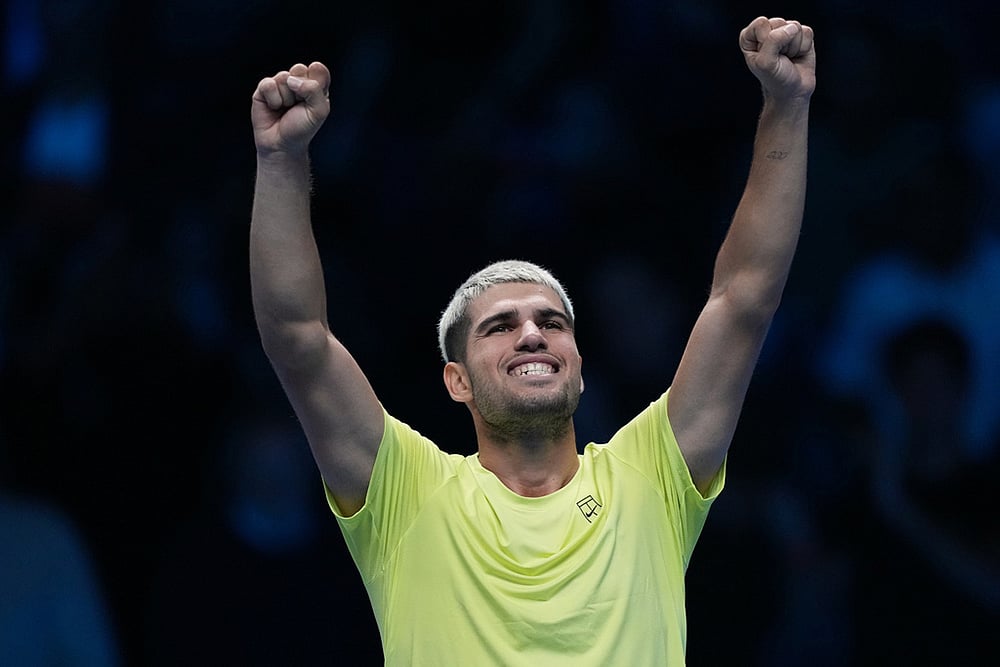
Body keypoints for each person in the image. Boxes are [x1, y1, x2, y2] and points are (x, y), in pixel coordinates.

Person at [249, 15, 814, 665]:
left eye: (552, 322)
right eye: (499, 326)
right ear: (456, 379)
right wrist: (282, 160)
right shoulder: (407, 494)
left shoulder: (653, 476)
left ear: (577, 368)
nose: (530, 334)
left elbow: (743, 298)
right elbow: (297, 337)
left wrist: (787, 105)